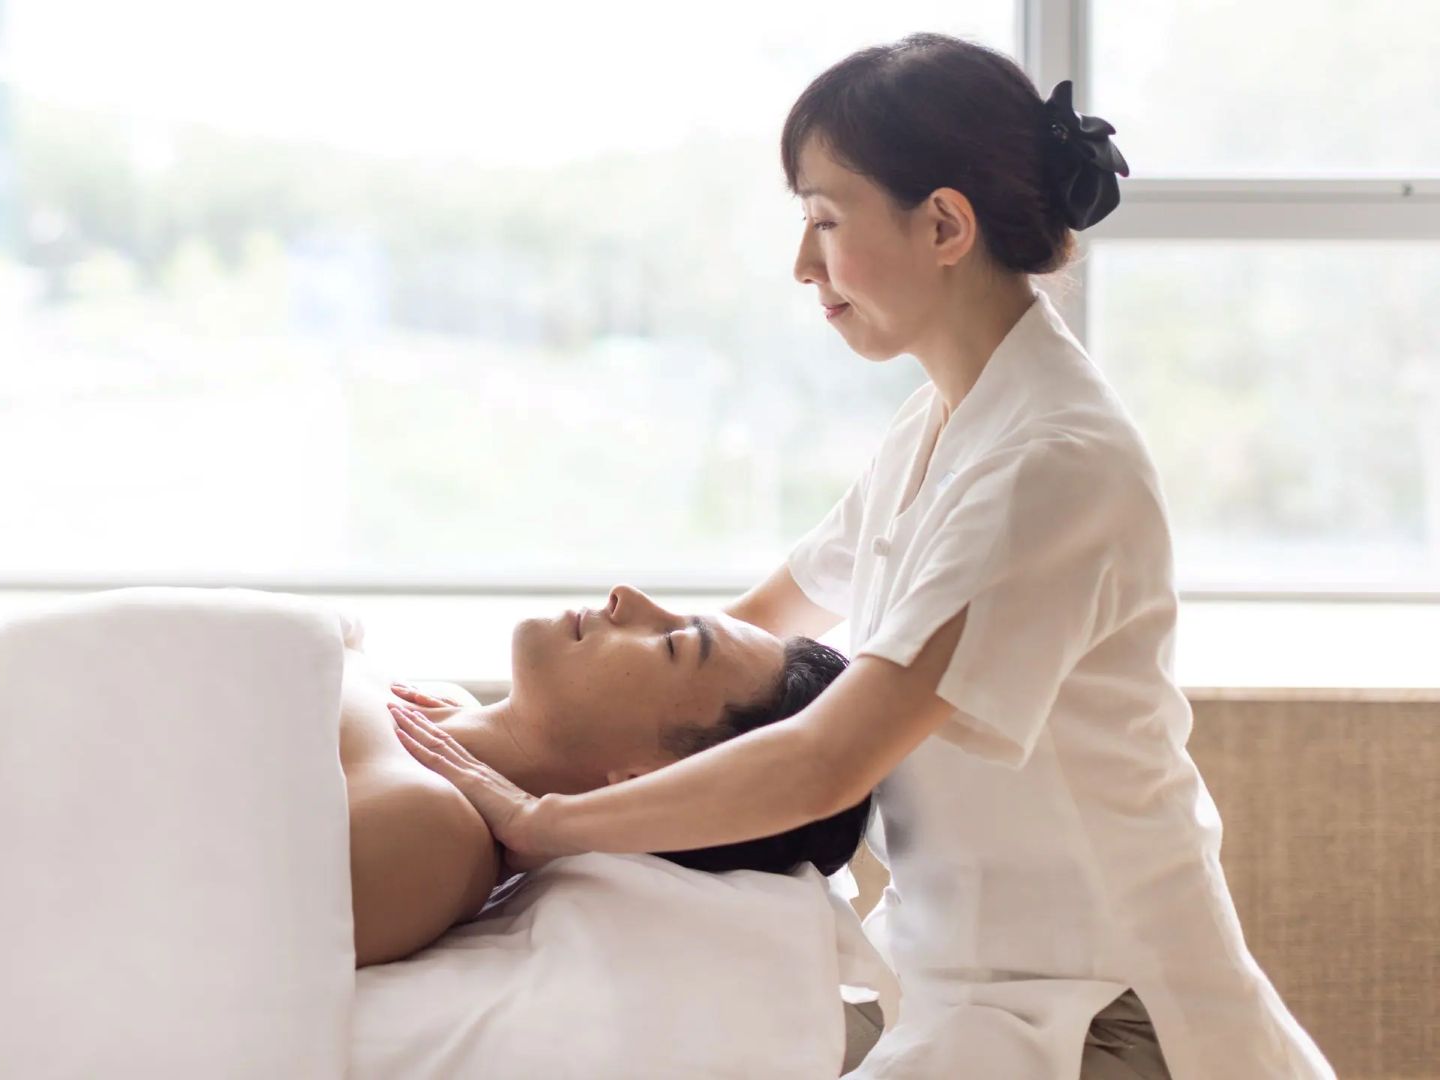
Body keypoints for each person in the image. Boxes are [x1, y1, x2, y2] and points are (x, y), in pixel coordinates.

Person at [390, 33, 1334, 1078]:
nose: (803, 263)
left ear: (945, 226)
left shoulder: (1052, 465)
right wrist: (505, 732)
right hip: (958, 986)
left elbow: (826, 759)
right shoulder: (942, 424)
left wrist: (547, 820)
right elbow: (754, 626)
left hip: (1103, 1014)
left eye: (825, 221)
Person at [340, 586, 869, 967]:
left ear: (648, 780)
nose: (626, 596)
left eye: (672, 644)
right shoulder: (440, 702)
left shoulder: (429, 834)